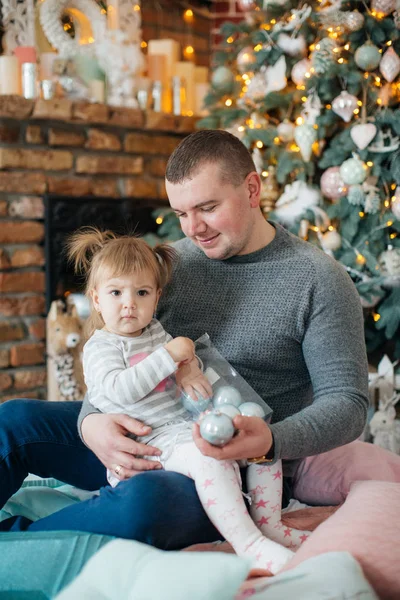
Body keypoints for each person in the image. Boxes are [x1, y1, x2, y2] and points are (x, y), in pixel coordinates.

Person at [0, 129, 397, 550]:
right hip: (137, 437)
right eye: (182, 213)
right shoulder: (170, 264)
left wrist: (272, 440)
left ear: (251, 188)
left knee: (146, 508)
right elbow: (115, 347)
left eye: (207, 208)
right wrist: (90, 421)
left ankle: (15, 545)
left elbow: (348, 403)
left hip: (225, 468)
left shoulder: (318, 280)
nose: (194, 229)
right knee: (14, 421)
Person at [65, 227, 310, 572]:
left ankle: (270, 524)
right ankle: (248, 543)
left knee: (256, 439)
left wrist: (189, 369)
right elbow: (120, 389)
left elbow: (182, 359)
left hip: (184, 424)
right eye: (116, 292)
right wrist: (169, 356)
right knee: (209, 457)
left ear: (157, 296)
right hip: (150, 441)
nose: (129, 304)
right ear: (96, 299)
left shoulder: (152, 331)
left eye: (142, 292)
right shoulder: (102, 346)